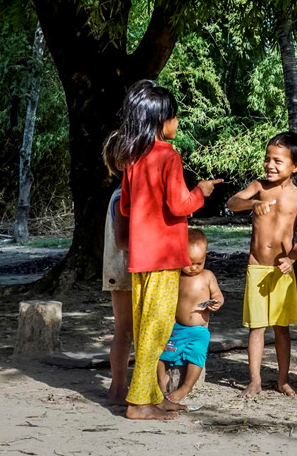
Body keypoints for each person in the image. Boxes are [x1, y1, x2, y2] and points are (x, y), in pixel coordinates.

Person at [103, 79, 222, 420]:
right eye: (174, 116)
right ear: (160, 119)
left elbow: (125, 208)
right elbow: (180, 204)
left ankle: (152, 395)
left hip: (140, 257)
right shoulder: (168, 155)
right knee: (156, 329)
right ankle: (139, 403)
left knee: (146, 327)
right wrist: (200, 191)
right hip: (164, 256)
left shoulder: (132, 159)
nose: (177, 123)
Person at [226, 131, 297, 398]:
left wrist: (292, 259)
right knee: (257, 327)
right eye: (267, 159)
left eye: (278, 160)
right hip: (257, 268)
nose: (270, 165)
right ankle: (255, 380)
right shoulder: (259, 187)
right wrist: (253, 203)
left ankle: (283, 379)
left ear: (295, 166)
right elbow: (232, 202)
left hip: (281, 271)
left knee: (281, 328)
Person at [156, 228, 224, 407]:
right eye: (189, 262)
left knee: (196, 357)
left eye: (199, 263)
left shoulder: (208, 276)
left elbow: (218, 295)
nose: (194, 268)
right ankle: (161, 386)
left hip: (198, 331)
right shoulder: (175, 276)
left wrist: (216, 302)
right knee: (160, 355)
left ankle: (186, 387)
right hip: (176, 327)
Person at [100, 185, 132, 405]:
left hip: (124, 269)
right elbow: (123, 241)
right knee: (124, 330)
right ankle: (118, 387)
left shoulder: (124, 194)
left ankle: (119, 386)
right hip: (123, 270)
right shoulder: (123, 197)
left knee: (125, 330)